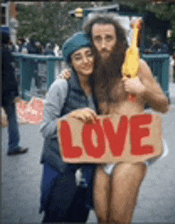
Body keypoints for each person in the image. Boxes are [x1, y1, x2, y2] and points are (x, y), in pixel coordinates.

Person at [83, 14, 169, 223]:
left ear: (119, 40)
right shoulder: (94, 70)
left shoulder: (137, 65)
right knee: (102, 217)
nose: (103, 45)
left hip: (132, 150)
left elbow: (163, 105)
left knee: (119, 219)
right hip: (104, 149)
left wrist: (143, 90)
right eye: (97, 39)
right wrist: (64, 76)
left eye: (109, 38)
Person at [39, 32, 100, 223]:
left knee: (79, 218)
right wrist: (70, 118)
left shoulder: (102, 87)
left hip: (87, 165)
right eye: (77, 57)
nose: (85, 61)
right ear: (70, 63)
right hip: (61, 165)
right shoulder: (60, 86)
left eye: (89, 54)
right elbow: (45, 129)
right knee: (55, 217)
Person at [1, 30, 28, 156]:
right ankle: (13, 146)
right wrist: (16, 92)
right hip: (6, 91)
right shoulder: (6, 54)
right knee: (12, 118)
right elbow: (10, 75)